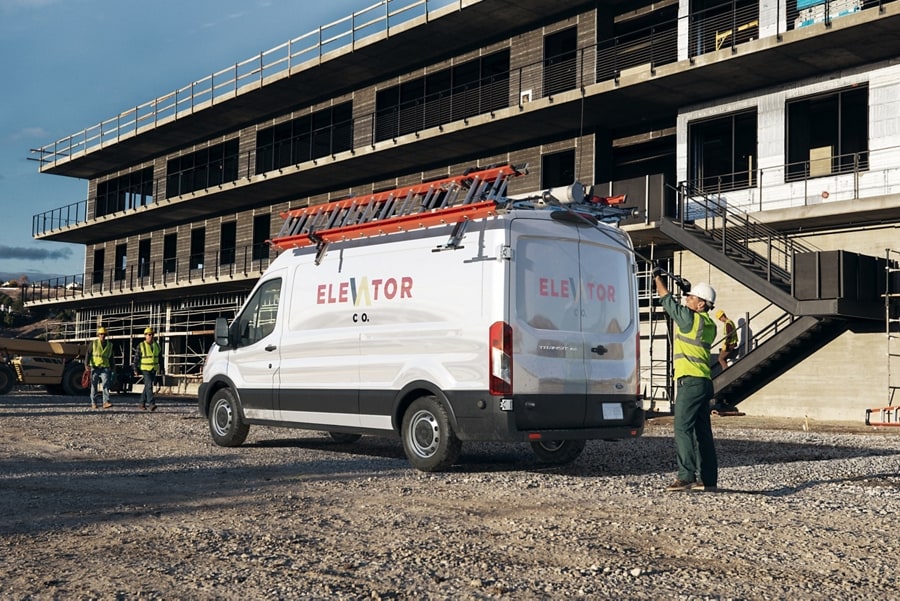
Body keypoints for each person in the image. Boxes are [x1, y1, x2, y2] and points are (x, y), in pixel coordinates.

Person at [653, 271, 718, 492]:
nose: (687, 299)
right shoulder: (709, 324)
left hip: (689, 382)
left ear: (701, 304)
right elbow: (683, 306)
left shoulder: (689, 319)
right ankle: (708, 480)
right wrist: (686, 289)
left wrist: (657, 278)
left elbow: (667, 300)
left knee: (682, 427)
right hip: (704, 382)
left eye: (692, 298)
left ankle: (686, 476)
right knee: (703, 433)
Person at [133, 327, 164, 411]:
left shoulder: (157, 345)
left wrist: (162, 368)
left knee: (147, 386)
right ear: (145, 336)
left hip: (153, 369)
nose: (151, 336)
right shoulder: (141, 345)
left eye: (152, 334)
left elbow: (160, 358)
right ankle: (151, 403)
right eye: (149, 335)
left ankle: (141, 403)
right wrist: (135, 369)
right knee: (149, 385)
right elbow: (136, 358)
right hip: (145, 369)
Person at [85, 326, 114, 409]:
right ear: (98, 335)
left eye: (104, 334)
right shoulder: (93, 343)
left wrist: (113, 369)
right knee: (94, 385)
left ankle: (106, 402)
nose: (102, 336)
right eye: (101, 334)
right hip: (95, 367)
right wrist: (86, 365)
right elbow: (88, 354)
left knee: (106, 384)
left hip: (105, 367)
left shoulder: (110, 345)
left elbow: (111, 358)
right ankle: (93, 402)